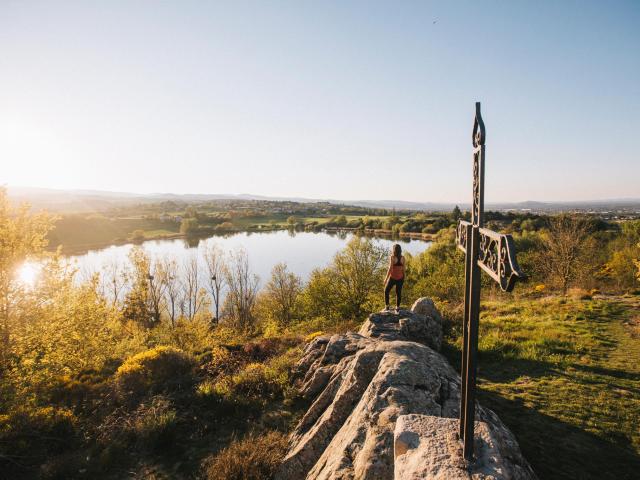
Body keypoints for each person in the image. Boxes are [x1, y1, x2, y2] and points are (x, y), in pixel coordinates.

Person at [384, 244, 405, 312]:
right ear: (400, 250)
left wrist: (386, 278)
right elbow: (403, 269)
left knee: (386, 291)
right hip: (400, 278)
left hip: (393, 278)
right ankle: (397, 308)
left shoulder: (392, 257)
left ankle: (387, 307)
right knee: (398, 293)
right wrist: (404, 277)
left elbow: (390, 269)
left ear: (394, 250)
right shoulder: (403, 258)